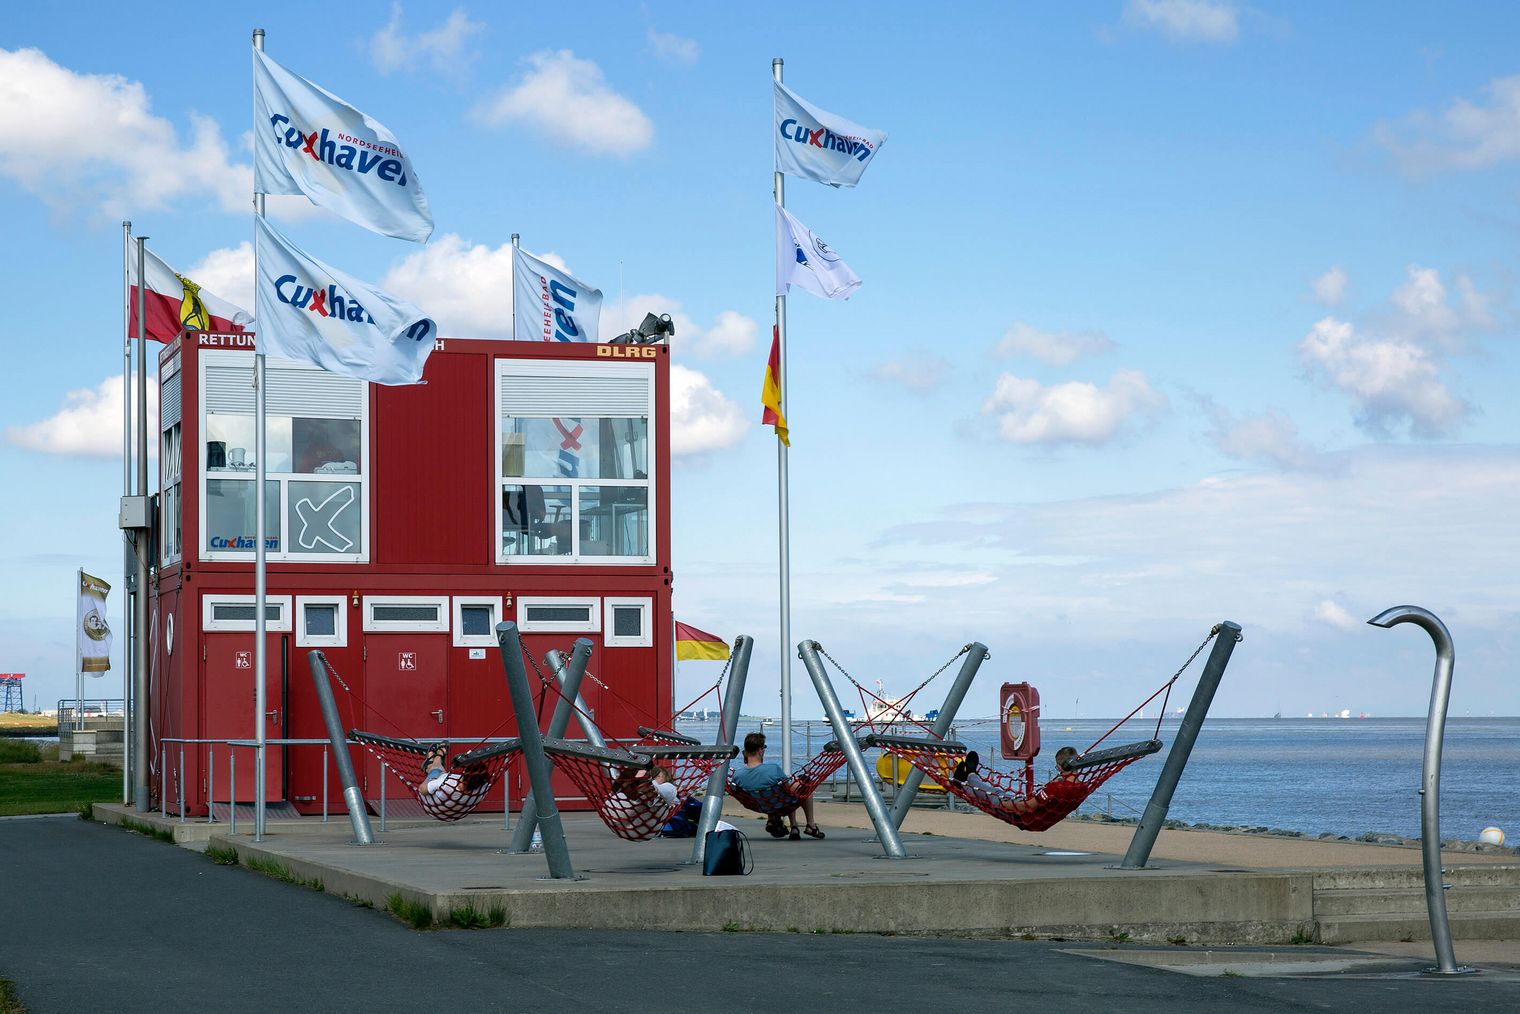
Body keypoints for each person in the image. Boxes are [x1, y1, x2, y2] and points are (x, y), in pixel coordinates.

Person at [729, 731, 825, 841]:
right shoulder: (773, 769)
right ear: (760, 750)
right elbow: (789, 788)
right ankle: (810, 825)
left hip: (763, 806)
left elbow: (735, 790)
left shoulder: (738, 775)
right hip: (783, 804)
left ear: (745, 752)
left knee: (782, 793)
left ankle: (783, 823)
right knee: (804, 783)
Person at [951, 746, 1079, 815]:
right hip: (1031, 809)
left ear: (1063, 766)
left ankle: (968, 778)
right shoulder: (1081, 787)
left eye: (1057, 767)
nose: (1058, 771)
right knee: (994, 792)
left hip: (1021, 814)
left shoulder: (1056, 787)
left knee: (992, 794)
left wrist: (1002, 804)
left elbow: (1028, 806)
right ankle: (967, 779)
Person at [604, 764, 680, 832]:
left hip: (642, 827)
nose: (656, 778)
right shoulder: (640, 787)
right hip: (619, 817)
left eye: (659, 776)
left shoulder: (667, 788)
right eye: (655, 776)